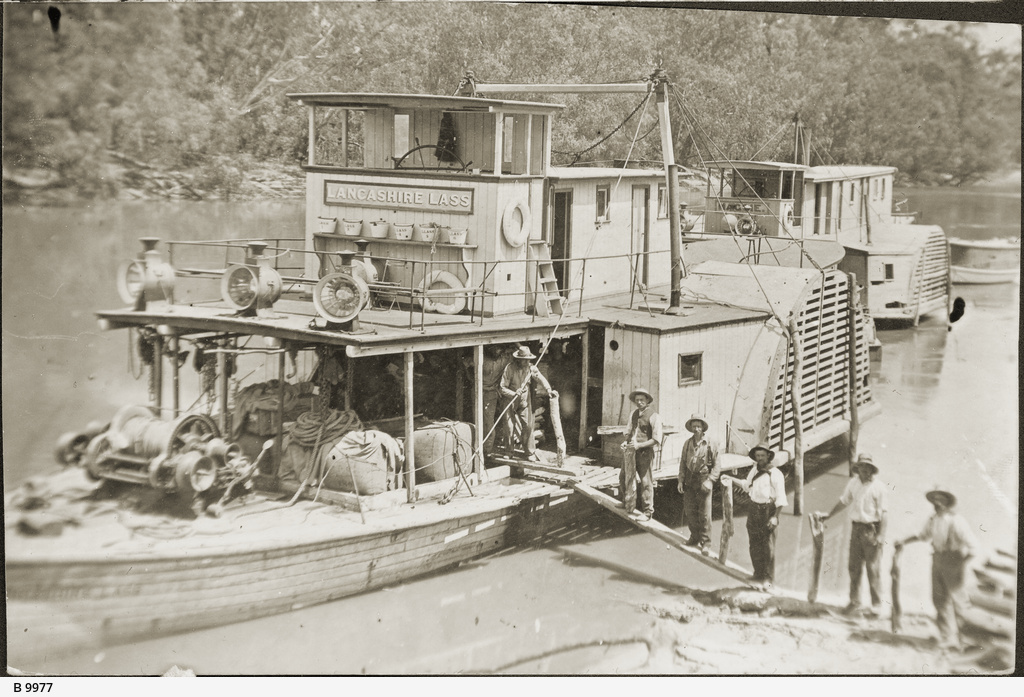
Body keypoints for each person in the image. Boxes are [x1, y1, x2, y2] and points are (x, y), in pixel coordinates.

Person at [896, 488, 977, 651]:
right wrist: (903, 541)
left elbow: (973, 547)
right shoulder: (932, 520)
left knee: (958, 601)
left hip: (954, 559)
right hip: (937, 559)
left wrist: (960, 564)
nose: (937, 503)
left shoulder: (956, 520)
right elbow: (922, 536)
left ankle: (967, 641)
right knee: (939, 599)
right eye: (935, 500)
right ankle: (946, 637)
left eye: (941, 500)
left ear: (947, 503)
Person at [816, 453, 888, 616]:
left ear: (872, 469)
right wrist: (829, 514)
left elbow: (884, 513)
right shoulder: (853, 483)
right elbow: (844, 501)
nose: (864, 470)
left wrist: (881, 536)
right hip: (856, 529)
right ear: (858, 468)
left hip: (871, 530)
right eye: (861, 467)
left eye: (867, 467)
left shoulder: (879, 487)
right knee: (853, 567)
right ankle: (854, 601)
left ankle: (877, 605)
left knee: (873, 568)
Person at [741, 442, 787, 590]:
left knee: (768, 546)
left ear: (768, 456)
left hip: (768, 510)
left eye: (762, 455)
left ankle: (768, 578)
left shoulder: (776, 474)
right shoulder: (754, 470)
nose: (760, 458)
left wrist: (775, 517)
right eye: (757, 456)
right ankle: (758, 573)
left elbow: (781, 498)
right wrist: (730, 479)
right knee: (754, 543)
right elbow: (747, 486)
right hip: (753, 509)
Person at [499, 345, 555, 461]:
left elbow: (541, 378)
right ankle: (509, 451)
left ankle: (529, 452)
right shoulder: (509, 368)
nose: (527, 362)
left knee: (528, 426)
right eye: (524, 360)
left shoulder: (531, 368)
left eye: (528, 360)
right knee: (509, 427)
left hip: (524, 401)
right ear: (518, 359)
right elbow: (502, 388)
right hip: (510, 400)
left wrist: (549, 389)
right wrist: (513, 393)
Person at [677, 414, 719, 555]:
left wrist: (710, 480)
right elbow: (683, 462)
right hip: (690, 480)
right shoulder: (687, 443)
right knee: (690, 512)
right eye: (694, 426)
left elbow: (717, 465)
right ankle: (694, 537)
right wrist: (680, 480)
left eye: (698, 426)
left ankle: (706, 543)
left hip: (704, 479)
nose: (696, 429)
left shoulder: (710, 443)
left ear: (703, 428)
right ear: (690, 428)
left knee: (705, 514)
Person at [620, 388, 662, 522]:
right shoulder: (633, 414)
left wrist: (639, 445)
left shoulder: (654, 416)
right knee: (624, 476)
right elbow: (628, 432)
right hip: (630, 452)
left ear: (647, 400)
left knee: (645, 482)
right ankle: (626, 501)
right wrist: (625, 442)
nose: (639, 402)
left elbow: (656, 440)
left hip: (644, 453)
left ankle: (648, 512)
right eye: (637, 400)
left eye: (642, 400)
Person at [481, 345, 513, 456]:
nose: (496, 351)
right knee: (479, 419)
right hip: (479, 391)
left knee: (488, 421)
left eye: (499, 349)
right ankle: (481, 446)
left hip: (491, 393)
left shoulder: (504, 359)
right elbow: (466, 364)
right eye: (494, 349)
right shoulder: (482, 359)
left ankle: (487, 450)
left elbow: (519, 351)